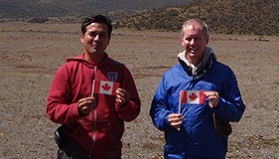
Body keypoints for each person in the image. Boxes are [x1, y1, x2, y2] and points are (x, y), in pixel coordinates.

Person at [46, 15, 141, 159]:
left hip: (108, 153)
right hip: (74, 152)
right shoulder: (67, 71)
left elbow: (132, 113)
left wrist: (125, 104)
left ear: (108, 40)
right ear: (82, 37)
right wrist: (76, 109)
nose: (97, 39)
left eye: (102, 35)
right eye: (92, 34)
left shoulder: (120, 72)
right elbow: (53, 111)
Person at [150, 18, 245, 159]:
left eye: (197, 38)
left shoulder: (223, 74)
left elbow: (237, 111)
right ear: (182, 41)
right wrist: (166, 118)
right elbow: (156, 109)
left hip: (211, 153)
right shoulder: (170, 76)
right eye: (189, 39)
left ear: (206, 39)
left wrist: (220, 104)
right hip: (177, 153)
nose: (193, 43)